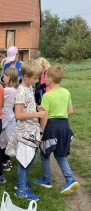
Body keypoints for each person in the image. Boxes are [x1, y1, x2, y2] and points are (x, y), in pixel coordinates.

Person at [35, 66, 80, 195]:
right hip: (65, 126)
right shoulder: (66, 92)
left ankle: (46, 179)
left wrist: (41, 132)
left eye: (45, 77)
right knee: (60, 154)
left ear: (49, 79)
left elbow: (45, 116)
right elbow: (70, 111)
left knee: (44, 153)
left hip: (51, 127)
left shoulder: (47, 96)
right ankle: (70, 178)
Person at [5, 60, 46, 201]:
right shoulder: (21, 91)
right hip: (24, 132)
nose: (37, 80)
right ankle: (21, 190)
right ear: (26, 76)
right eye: (35, 78)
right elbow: (18, 114)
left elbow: (27, 108)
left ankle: (21, 184)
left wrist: (36, 109)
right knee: (25, 161)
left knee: (31, 158)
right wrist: (37, 115)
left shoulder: (29, 87)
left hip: (31, 130)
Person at [0, 67, 19, 171]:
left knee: (3, 140)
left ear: (9, 77)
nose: (3, 78)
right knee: (7, 140)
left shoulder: (7, 90)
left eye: (4, 76)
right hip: (10, 116)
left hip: (5, 117)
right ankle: (7, 161)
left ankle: (4, 162)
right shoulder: (15, 90)